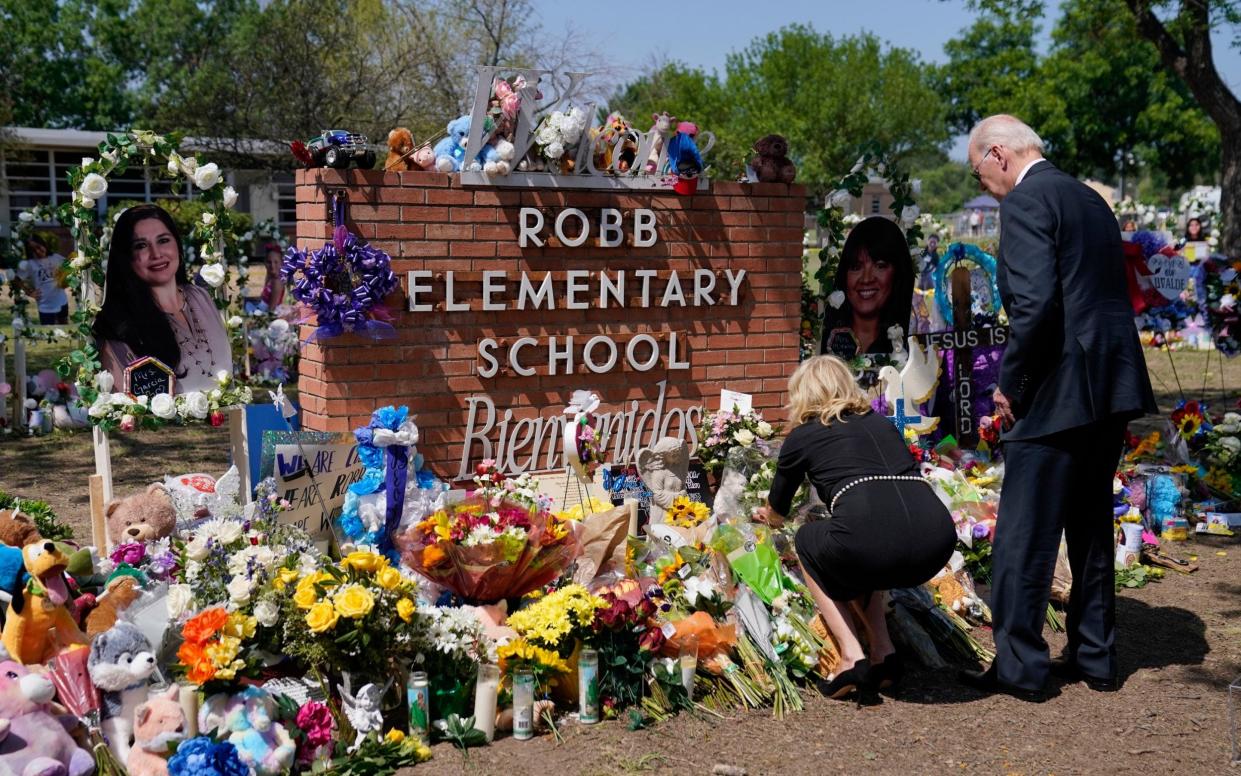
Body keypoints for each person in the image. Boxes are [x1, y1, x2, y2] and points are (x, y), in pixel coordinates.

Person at [963, 114, 1156, 700]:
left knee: (1024, 531)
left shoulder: (1025, 203)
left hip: (1057, 384)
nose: (984, 186)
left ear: (998, 153)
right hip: (1110, 379)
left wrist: (1010, 382)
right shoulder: (1088, 199)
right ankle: (1095, 656)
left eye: (979, 172)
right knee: (1091, 524)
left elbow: (1037, 304)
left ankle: (1021, 667)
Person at [755, 355, 955, 700]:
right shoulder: (881, 424)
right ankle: (884, 652)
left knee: (810, 540)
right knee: (863, 545)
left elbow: (778, 511)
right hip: (936, 540)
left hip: (873, 543)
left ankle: (851, 655)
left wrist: (765, 515)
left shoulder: (804, 435)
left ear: (803, 393)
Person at [94, 204, 232, 394]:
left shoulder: (200, 296)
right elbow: (126, 410)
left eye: (163, 240)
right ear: (127, 258)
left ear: (177, 245)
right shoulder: (120, 323)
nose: (156, 254)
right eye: (141, 245)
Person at [819, 217, 915, 359]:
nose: (866, 278)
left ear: (897, 274)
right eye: (856, 267)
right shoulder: (821, 339)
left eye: (880, 266)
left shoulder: (914, 343)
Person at [16, 235, 70, 324]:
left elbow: (70, 267)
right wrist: (29, 292)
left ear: (43, 244)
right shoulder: (30, 264)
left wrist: (66, 280)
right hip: (45, 307)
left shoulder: (56, 257)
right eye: (33, 250)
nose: (37, 251)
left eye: (38, 247)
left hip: (62, 302)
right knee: (49, 332)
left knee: (64, 330)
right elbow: (16, 279)